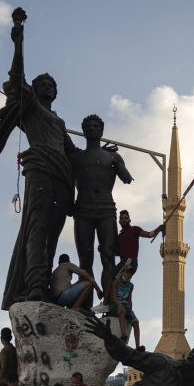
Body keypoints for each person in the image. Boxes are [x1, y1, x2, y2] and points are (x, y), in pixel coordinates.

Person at [0, 9, 78, 307]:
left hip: (62, 179)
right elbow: (17, 75)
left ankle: (44, 283)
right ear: (34, 90)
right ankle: (34, 285)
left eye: (52, 84)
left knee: (52, 235)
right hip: (41, 173)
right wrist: (18, 39)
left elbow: (73, 153)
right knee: (37, 228)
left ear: (56, 93)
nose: (48, 86)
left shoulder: (59, 123)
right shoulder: (31, 107)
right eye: (42, 83)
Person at [70, 114, 133, 303]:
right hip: (83, 209)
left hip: (106, 209)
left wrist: (115, 162)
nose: (91, 129)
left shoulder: (112, 156)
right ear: (83, 130)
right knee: (85, 259)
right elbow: (66, 183)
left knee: (108, 257)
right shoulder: (76, 158)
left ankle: (109, 302)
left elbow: (127, 178)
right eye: (88, 126)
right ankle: (85, 304)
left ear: (101, 130)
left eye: (96, 126)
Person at [116, 209, 163, 277]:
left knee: (114, 278)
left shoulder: (134, 229)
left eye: (126, 218)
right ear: (119, 221)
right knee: (117, 283)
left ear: (129, 220)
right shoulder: (120, 236)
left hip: (130, 262)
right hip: (124, 262)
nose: (124, 220)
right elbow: (118, 252)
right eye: (122, 218)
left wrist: (158, 228)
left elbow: (149, 234)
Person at [110, 262, 142, 350]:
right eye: (127, 272)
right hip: (116, 305)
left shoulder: (131, 286)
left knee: (136, 322)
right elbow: (114, 297)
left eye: (130, 273)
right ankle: (123, 334)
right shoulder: (116, 283)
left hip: (126, 306)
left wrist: (130, 311)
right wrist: (119, 304)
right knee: (122, 310)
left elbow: (129, 299)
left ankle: (138, 346)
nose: (128, 275)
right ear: (122, 272)